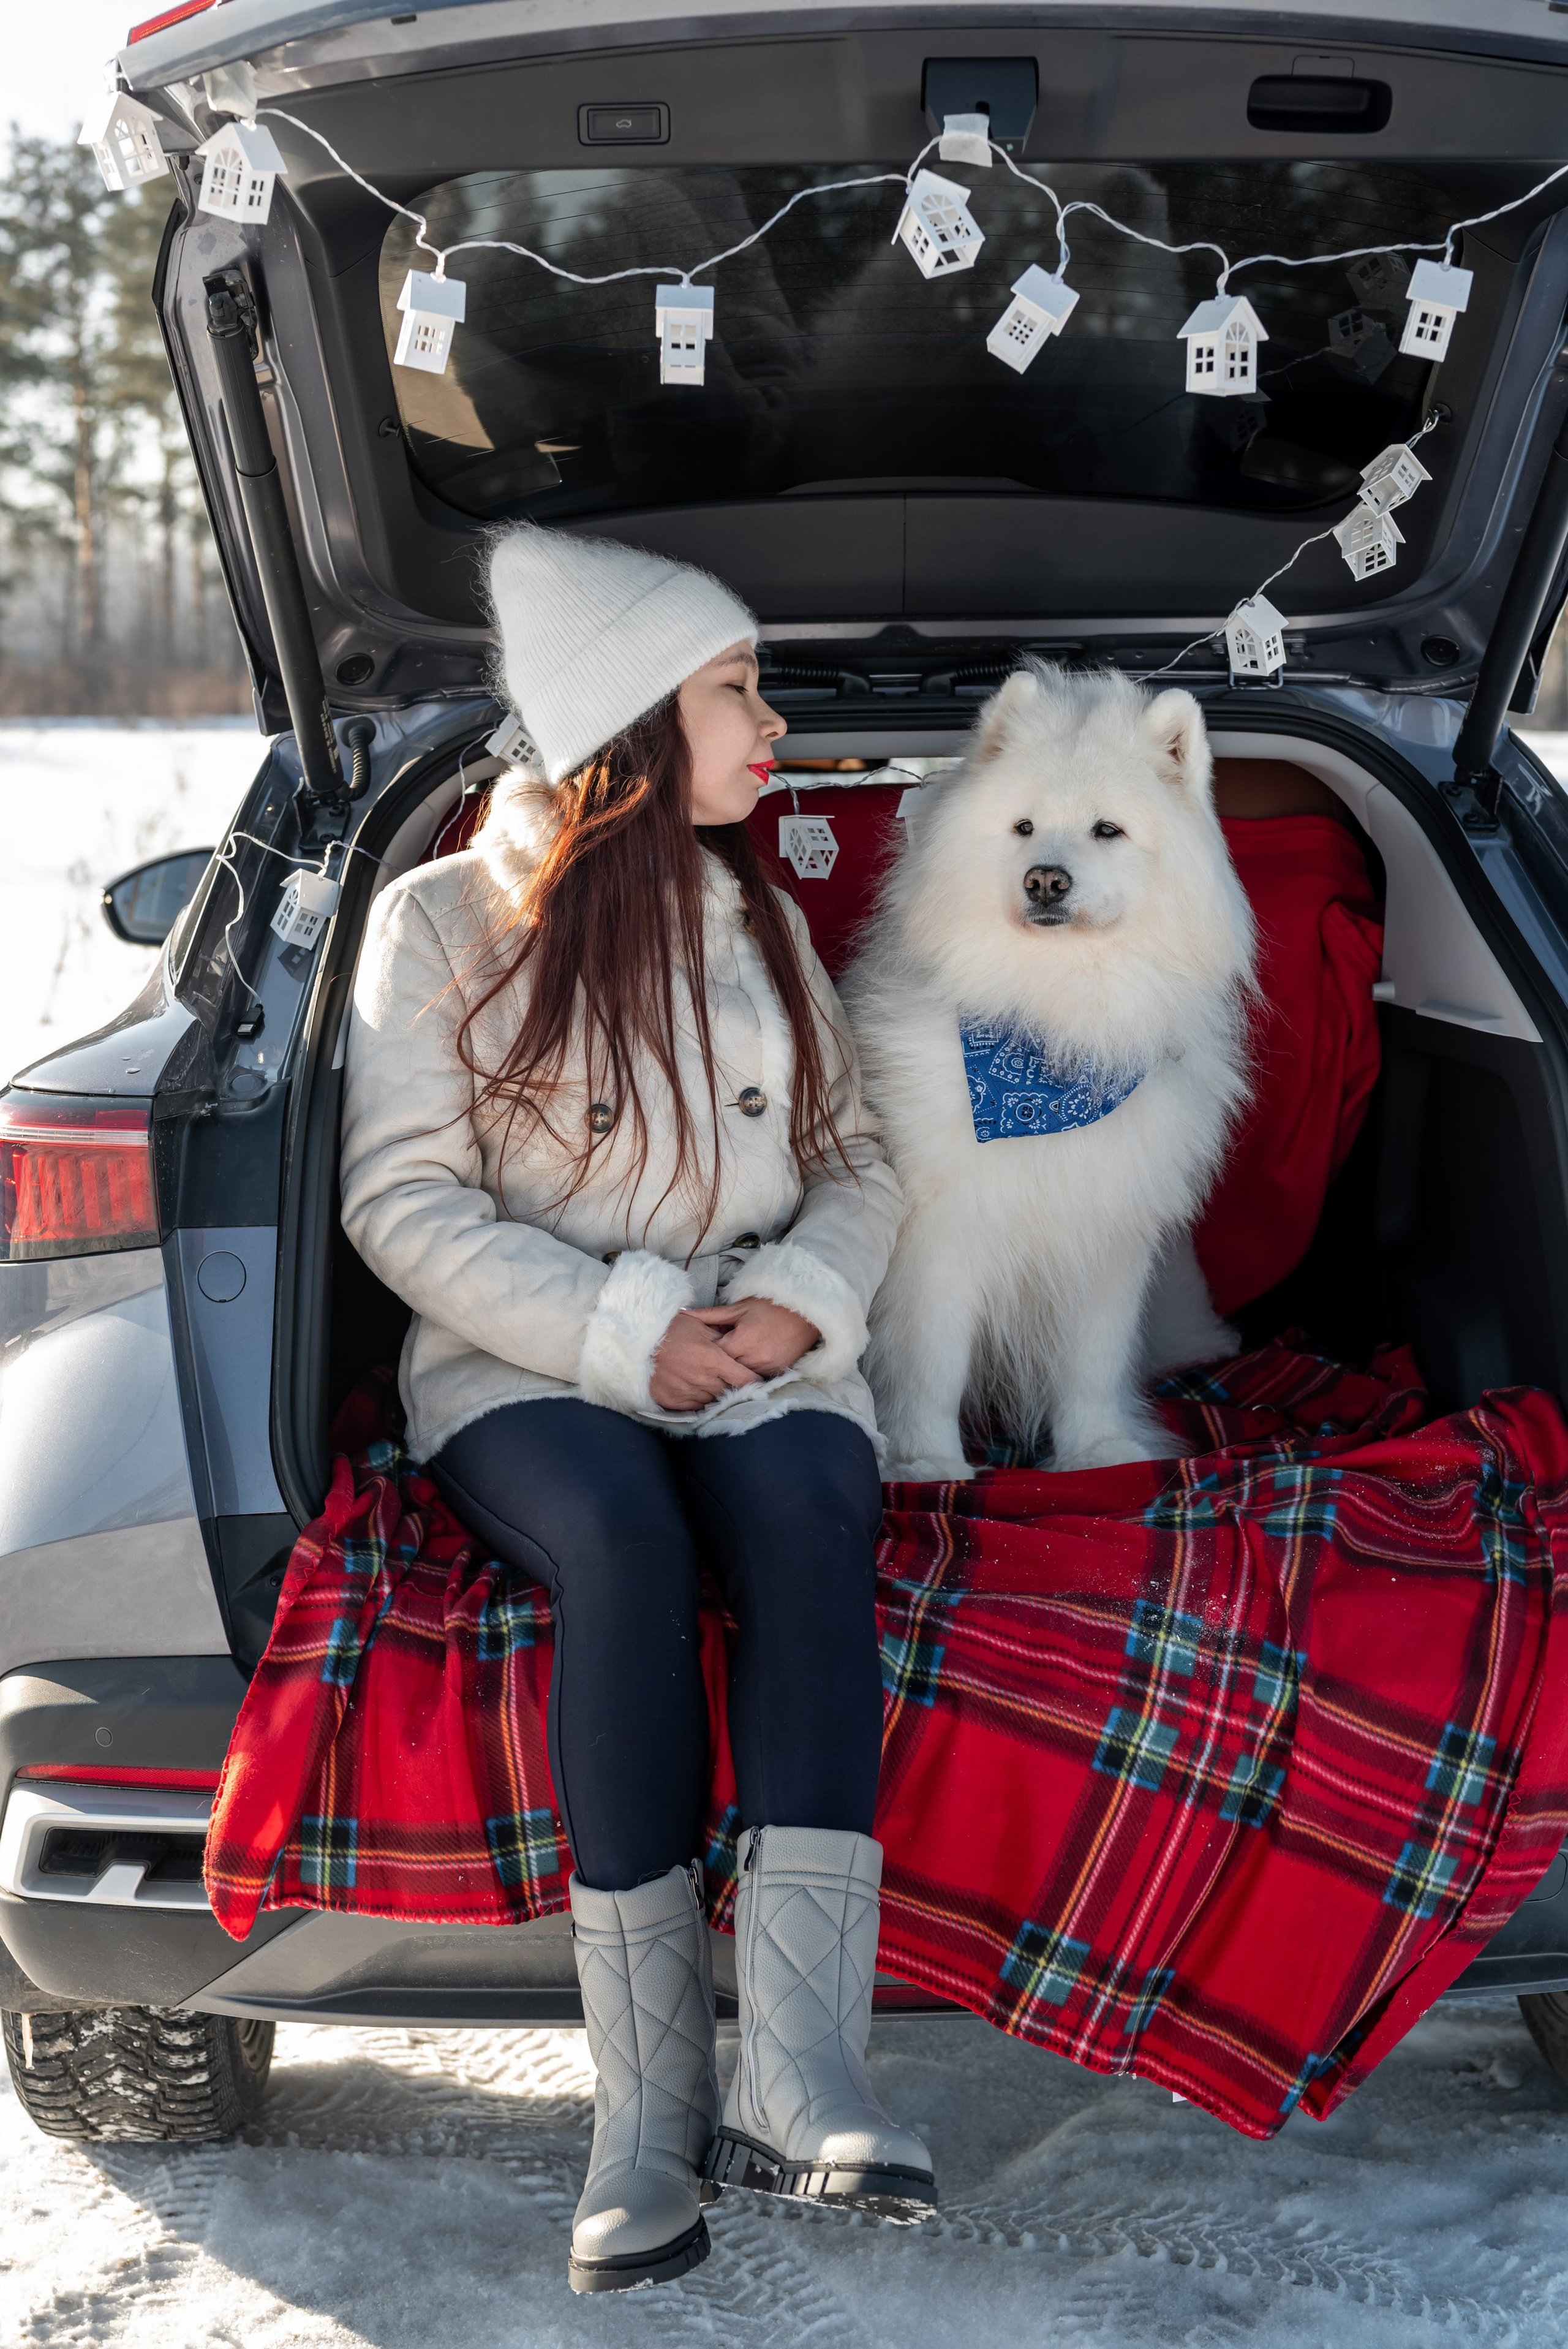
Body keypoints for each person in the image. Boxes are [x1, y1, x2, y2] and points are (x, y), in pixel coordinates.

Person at [339, 523, 934, 2293]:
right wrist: (629, 1330)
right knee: (618, 1542)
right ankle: (644, 2114)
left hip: (757, 1345)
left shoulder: (757, 914)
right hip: (531, 1360)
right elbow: (401, 1203)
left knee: (821, 1509)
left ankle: (802, 2072)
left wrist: (800, 1307)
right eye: (739, 686)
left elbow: (860, 1162)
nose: (776, 723)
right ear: (629, 721)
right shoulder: (437, 923)